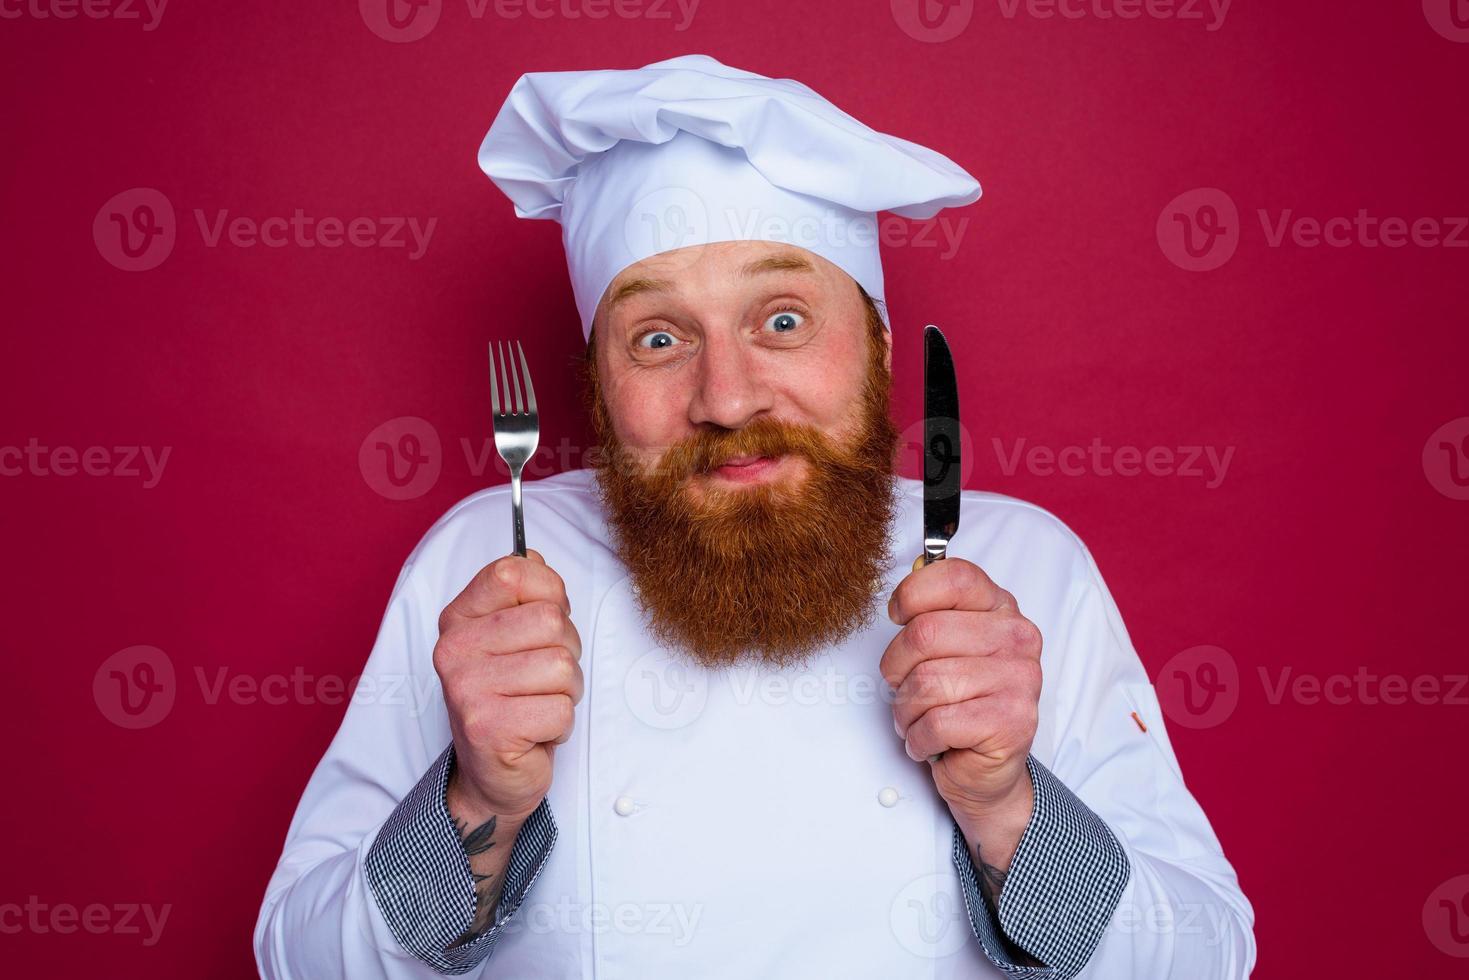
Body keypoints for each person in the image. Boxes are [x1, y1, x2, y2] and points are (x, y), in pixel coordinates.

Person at [254, 54, 1255, 979]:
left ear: (875, 348)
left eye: (781, 319)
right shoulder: (486, 560)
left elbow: (1205, 957)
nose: (725, 397)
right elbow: (296, 959)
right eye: (656, 337)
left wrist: (1005, 804)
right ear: (597, 389)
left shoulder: (1020, 566)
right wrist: (474, 799)